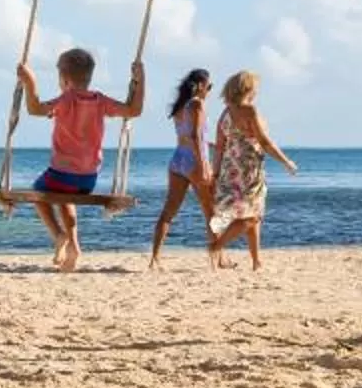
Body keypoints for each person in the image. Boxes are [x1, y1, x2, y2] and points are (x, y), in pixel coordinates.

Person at [15, 47, 144, 272]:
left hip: (60, 175)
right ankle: (74, 248)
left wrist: (29, 80)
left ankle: (58, 235)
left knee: (38, 193)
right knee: (66, 198)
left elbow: (35, 109)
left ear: (64, 79)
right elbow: (133, 110)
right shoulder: (100, 100)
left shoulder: (66, 100)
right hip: (87, 180)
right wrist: (141, 81)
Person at [204, 70, 298, 269]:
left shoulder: (225, 112)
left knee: (252, 215)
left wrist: (215, 173)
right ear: (247, 89)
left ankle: (256, 261)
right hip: (248, 170)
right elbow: (264, 141)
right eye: (255, 87)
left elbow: (220, 146)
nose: (257, 91)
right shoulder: (250, 111)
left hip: (230, 169)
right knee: (253, 216)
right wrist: (286, 161)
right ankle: (216, 246)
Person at [147, 68, 215, 269]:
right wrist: (203, 164)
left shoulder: (180, 106)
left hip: (179, 159)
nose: (208, 91)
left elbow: (187, 137)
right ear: (201, 85)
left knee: (169, 211)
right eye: (209, 87)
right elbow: (195, 136)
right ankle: (217, 258)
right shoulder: (197, 104)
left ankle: (155, 257)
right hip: (194, 160)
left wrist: (212, 146)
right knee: (211, 211)